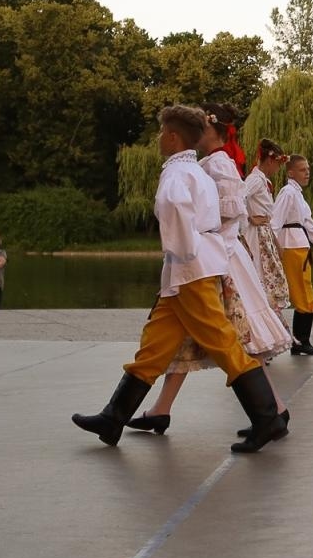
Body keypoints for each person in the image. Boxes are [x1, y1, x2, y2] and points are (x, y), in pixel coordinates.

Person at [71, 105, 286, 452]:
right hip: (192, 269)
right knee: (156, 343)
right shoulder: (196, 171)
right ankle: (114, 417)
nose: (158, 139)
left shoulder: (176, 176)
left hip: (190, 271)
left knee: (221, 341)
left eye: (161, 133)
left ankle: (266, 417)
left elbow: (178, 222)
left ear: (172, 137)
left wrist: (182, 254)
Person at [127, 103, 293, 436]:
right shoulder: (202, 164)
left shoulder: (219, 164)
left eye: (204, 127)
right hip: (209, 256)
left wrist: (201, 235)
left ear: (213, 131)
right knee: (190, 337)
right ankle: (158, 409)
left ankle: (273, 410)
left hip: (219, 258)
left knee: (233, 338)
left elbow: (231, 214)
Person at [271, 155, 313, 355]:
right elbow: (275, 221)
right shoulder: (288, 192)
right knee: (302, 291)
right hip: (291, 246)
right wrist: (275, 246)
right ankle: (300, 340)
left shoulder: (297, 194)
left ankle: (300, 340)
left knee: (305, 290)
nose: (307, 173)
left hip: (300, 245)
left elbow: (308, 223)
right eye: (302, 169)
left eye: (307, 169)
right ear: (290, 172)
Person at [241, 139, 292, 312]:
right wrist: (249, 217)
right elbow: (239, 196)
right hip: (256, 235)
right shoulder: (255, 179)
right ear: (270, 161)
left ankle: (266, 314)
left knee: (268, 274)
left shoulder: (262, 181)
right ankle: (259, 312)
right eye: (277, 164)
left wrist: (277, 245)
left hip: (264, 232)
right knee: (258, 273)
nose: (278, 169)